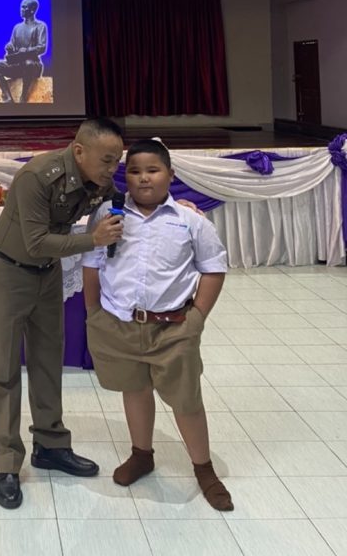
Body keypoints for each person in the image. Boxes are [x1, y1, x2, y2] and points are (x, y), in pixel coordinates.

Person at [0, 117, 126, 509]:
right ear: (79, 151)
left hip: (47, 275)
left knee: (48, 360)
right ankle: (6, 463)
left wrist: (173, 205)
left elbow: (125, 202)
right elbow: (35, 241)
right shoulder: (37, 177)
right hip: (9, 273)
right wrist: (92, 239)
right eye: (107, 160)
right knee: (4, 369)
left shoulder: (97, 179)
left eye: (117, 161)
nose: (112, 169)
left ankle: (50, 445)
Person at [82, 138, 232, 510]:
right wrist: (94, 313)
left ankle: (204, 469)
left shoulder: (189, 220)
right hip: (119, 324)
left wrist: (197, 318)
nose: (143, 178)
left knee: (186, 399)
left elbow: (213, 268)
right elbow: (92, 264)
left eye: (153, 170)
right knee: (134, 389)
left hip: (174, 327)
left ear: (170, 174)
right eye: (134, 171)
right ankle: (142, 455)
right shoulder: (109, 214)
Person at [0, 0, 48, 103]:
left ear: (32, 10)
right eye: (21, 7)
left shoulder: (40, 26)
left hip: (32, 65)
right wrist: (10, 48)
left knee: (28, 63)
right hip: (17, 65)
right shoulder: (17, 27)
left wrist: (27, 50)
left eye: (25, 7)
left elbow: (42, 47)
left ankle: (23, 96)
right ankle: (8, 97)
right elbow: (13, 47)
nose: (22, 9)